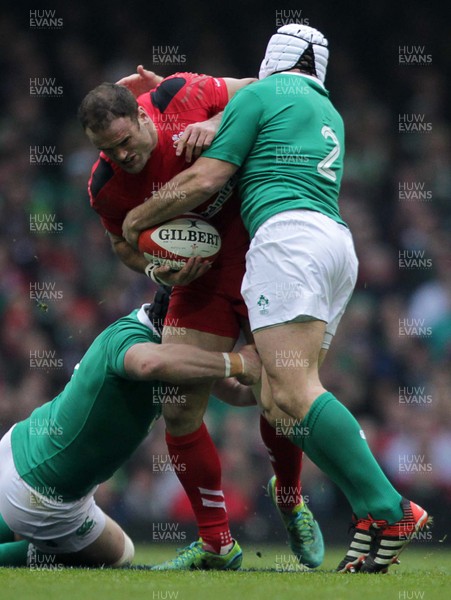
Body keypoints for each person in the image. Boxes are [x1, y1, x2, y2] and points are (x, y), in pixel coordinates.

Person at [121, 24, 431, 574]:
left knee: (292, 390)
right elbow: (235, 100)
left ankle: (390, 506)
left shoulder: (263, 93)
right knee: (279, 400)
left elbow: (205, 178)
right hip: (336, 246)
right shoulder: (326, 109)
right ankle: (370, 517)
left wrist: (137, 220)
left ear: (272, 59)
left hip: (286, 242)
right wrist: (195, 104)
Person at [79, 70, 324, 569]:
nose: (121, 156)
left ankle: (291, 497)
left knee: (282, 391)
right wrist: (155, 267)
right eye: (109, 150)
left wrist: (217, 122)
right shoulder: (104, 185)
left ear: (143, 114)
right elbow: (123, 245)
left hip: (260, 253)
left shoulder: (179, 95)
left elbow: (264, 87)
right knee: (178, 404)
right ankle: (217, 542)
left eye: (125, 141)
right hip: (198, 280)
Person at [0, 299, 261, 568]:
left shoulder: (171, 349)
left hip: (20, 450)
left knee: (120, 546)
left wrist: (281, 386)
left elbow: (236, 392)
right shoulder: (130, 337)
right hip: (44, 491)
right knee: (119, 555)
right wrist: (238, 362)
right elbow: (149, 364)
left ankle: (18, 527)